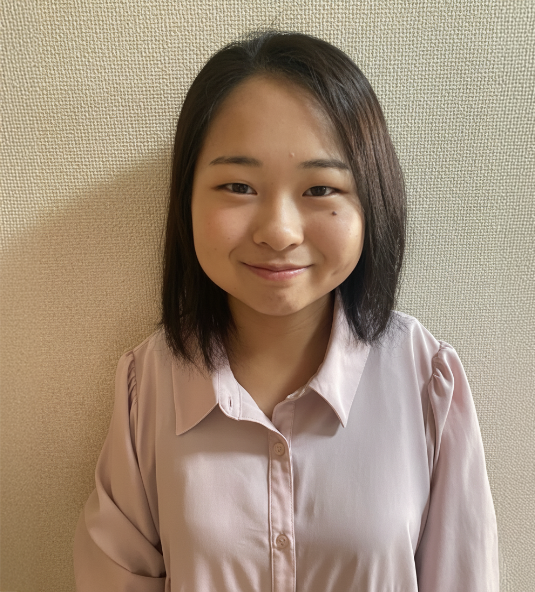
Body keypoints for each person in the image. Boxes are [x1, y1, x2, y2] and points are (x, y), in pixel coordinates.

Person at [73, 29, 499, 591]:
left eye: (319, 189)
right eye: (238, 185)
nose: (279, 232)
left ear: (372, 200)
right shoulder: (148, 383)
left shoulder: (426, 379)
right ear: (186, 198)